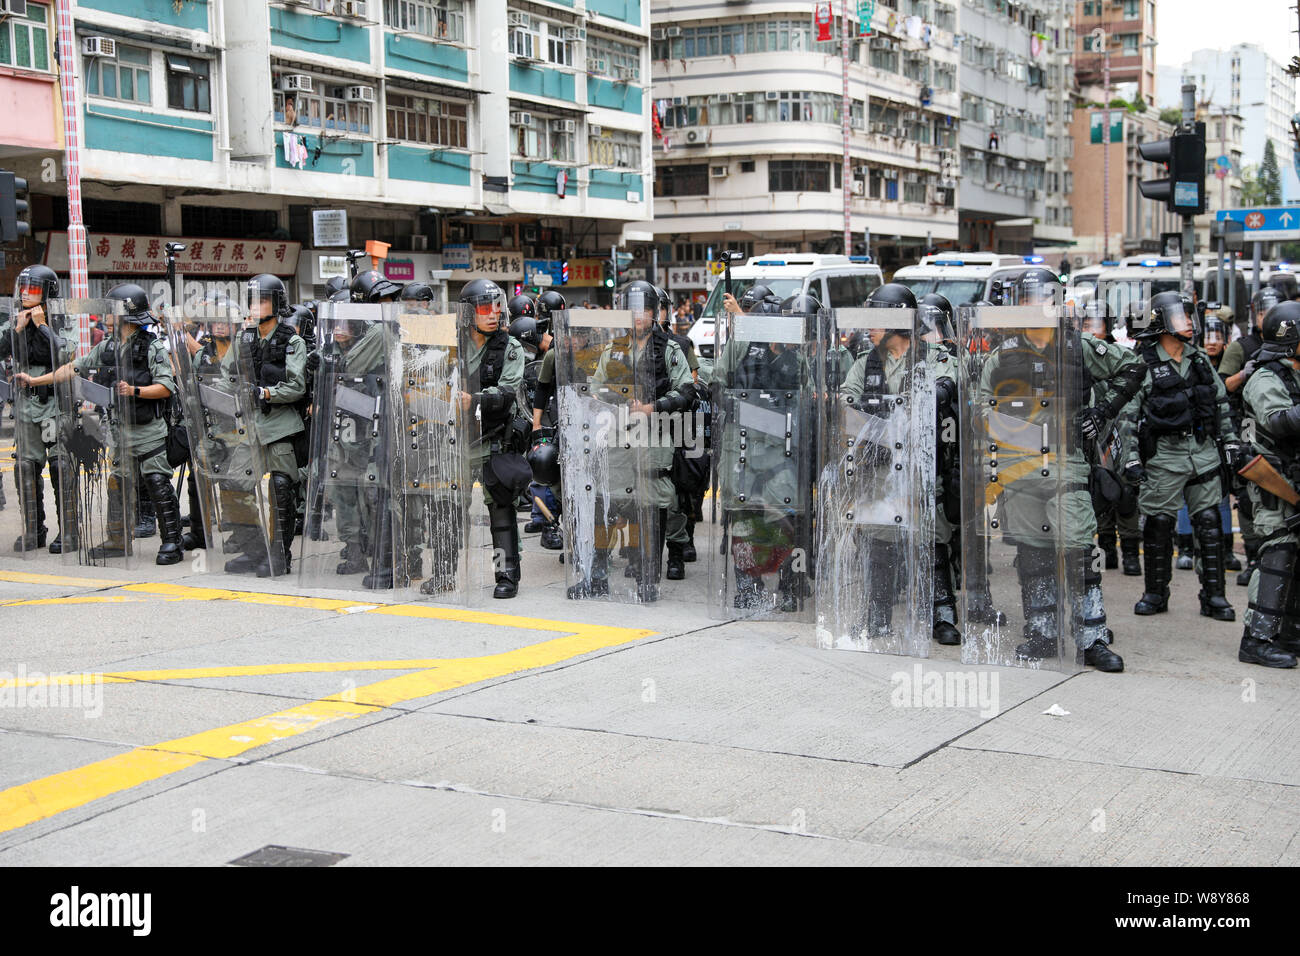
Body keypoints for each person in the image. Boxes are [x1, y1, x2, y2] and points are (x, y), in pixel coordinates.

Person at [969, 269, 1140, 671]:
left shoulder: (1078, 347)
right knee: (1033, 553)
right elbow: (978, 409)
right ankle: (1042, 632)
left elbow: (1132, 368)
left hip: (1067, 464)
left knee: (1080, 549)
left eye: (1044, 298)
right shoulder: (1001, 355)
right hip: (1020, 467)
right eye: (1028, 298)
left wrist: (1103, 412)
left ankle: (1091, 637)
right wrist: (1008, 426)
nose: (1036, 306)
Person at [18, 283, 184, 566]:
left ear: (126, 313)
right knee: (117, 482)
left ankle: (172, 541)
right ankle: (118, 540)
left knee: (156, 482)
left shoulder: (151, 346)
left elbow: (167, 386)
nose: (106, 315)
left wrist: (133, 391)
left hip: (147, 430)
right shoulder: (107, 346)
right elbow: (73, 368)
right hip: (120, 431)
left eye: (112, 309)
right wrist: (35, 381)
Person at [1128, 291, 1242, 621]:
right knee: (1159, 525)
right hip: (1164, 457)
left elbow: (1220, 404)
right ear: (1163, 325)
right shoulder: (1144, 364)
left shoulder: (1199, 360)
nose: (1189, 322)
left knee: (1208, 523)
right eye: (1181, 317)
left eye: (1188, 316)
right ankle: (1155, 593)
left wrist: (1231, 443)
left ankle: (1214, 596)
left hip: (1203, 454)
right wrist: (1131, 458)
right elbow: (1127, 416)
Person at [1237, 300, 1300, 667]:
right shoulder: (1264, 376)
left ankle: (1289, 635)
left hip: (1294, 475)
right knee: (1279, 549)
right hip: (1272, 481)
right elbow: (1276, 421)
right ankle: (1256, 639)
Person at [458, 279, 528, 599]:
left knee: (500, 509)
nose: (494, 314)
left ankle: (507, 575)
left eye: (497, 306)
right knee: (447, 508)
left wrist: (472, 399)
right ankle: (445, 572)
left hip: (493, 437)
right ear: (469, 314)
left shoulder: (509, 346)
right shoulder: (453, 345)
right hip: (457, 439)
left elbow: (507, 391)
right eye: (485, 308)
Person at [1, 266, 74, 553]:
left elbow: (67, 355)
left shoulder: (62, 321)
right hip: (25, 403)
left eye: (32, 289)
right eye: (23, 288)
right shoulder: (14, 320)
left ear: (47, 293)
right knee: (25, 466)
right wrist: (18, 330)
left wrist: (43, 327)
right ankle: (34, 529)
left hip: (55, 402)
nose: (24, 294)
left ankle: (69, 532)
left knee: (61, 466)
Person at [1219, 286, 1282, 586]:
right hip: (1247, 425)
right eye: (1262, 311)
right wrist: (1244, 374)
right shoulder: (1241, 347)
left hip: (1280, 429)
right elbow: (1222, 388)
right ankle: (1254, 556)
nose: (1267, 317)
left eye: (1273, 310)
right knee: (1246, 494)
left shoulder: (1290, 344)